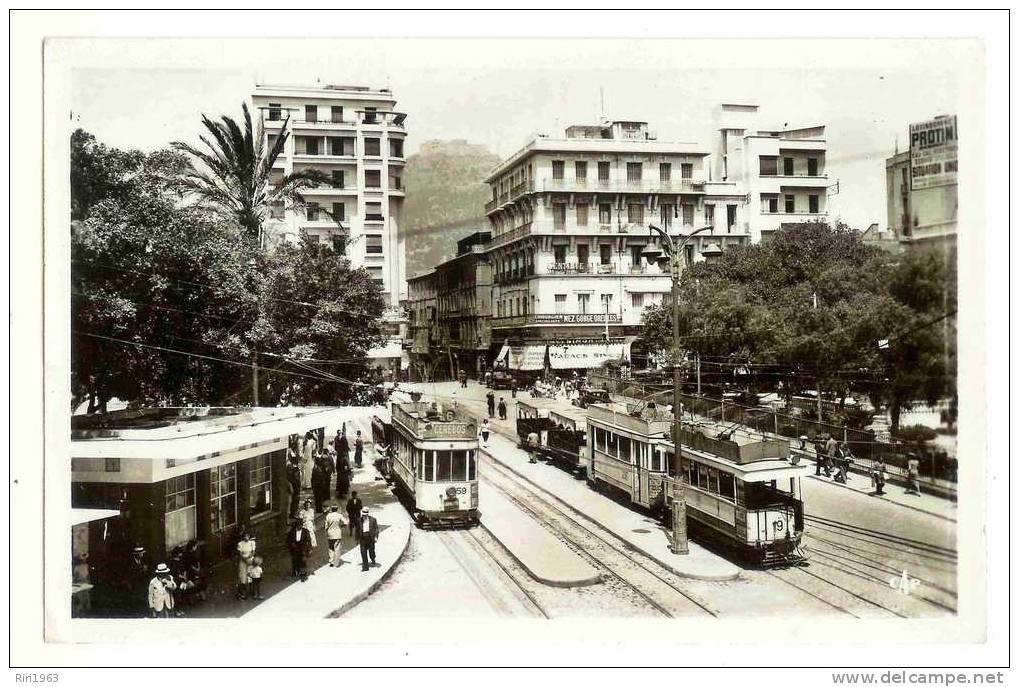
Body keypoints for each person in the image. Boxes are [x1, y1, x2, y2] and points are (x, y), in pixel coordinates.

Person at [286, 517, 313, 581]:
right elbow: (288, 540)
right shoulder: (292, 532)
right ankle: (295, 571)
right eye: (298, 525)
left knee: (303, 561)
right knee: (295, 561)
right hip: (295, 548)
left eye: (300, 525)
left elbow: (309, 540)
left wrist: (310, 548)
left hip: (303, 548)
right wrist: (291, 543)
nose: (299, 527)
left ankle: (303, 575)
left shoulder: (305, 531)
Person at [357, 506, 379, 572]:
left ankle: (373, 558)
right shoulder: (359, 520)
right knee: (363, 552)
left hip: (370, 537)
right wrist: (357, 539)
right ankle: (365, 567)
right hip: (363, 538)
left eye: (365, 515)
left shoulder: (373, 520)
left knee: (371, 551)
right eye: (363, 515)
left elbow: (376, 529)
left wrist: (376, 537)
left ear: (368, 514)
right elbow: (357, 530)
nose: (364, 516)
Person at [235, 530, 256, 599]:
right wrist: (244, 560)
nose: (246, 537)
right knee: (242, 576)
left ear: (249, 536)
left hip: (250, 560)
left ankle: (252, 590)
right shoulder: (240, 544)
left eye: (247, 536)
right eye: (245, 536)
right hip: (243, 561)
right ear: (243, 537)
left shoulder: (252, 543)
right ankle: (243, 591)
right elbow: (240, 554)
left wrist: (249, 558)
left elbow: (253, 552)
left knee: (250, 574)